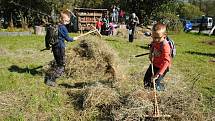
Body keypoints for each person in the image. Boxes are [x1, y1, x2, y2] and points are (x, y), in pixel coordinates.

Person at [45, 10, 78, 87]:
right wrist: (74, 38)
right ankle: (50, 79)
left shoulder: (55, 26)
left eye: (68, 20)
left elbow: (47, 37)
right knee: (61, 66)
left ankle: (54, 74)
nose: (67, 22)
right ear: (62, 19)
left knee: (58, 62)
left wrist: (47, 45)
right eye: (66, 20)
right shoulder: (63, 28)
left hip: (54, 47)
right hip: (60, 48)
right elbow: (68, 39)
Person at [143, 23, 171, 91]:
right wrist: (150, 53)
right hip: (154, 64)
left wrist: (159, 74)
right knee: (146, 80)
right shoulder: (155, 40)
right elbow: (152, 45)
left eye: (157, 38)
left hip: (162, 67)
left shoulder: (165, 46)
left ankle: (162, 88)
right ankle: (148, 92)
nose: (155, 40)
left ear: (164, 35)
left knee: (155, 83)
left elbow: (166, 62)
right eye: (153, 37)